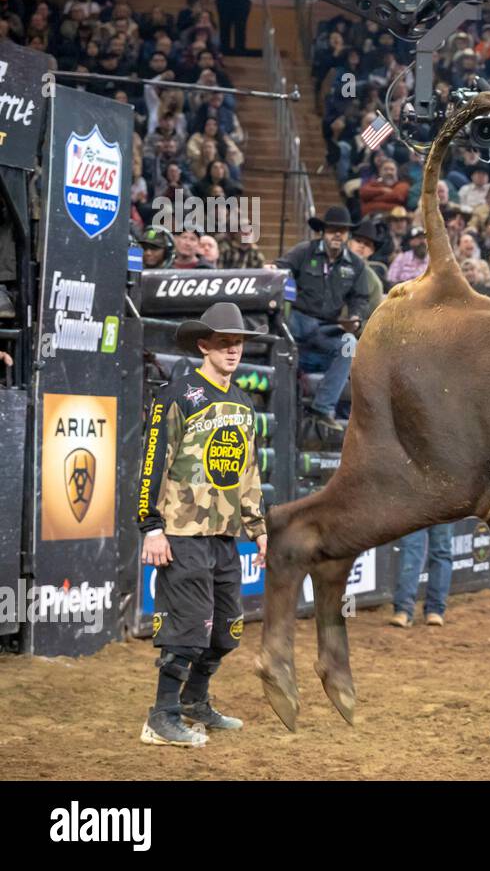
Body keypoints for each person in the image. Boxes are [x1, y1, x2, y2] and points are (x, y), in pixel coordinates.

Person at [137, 302, 267, 747]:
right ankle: (161, 716)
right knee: (187, 629)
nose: (234, 350)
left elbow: (248, 473)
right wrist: (151, 526)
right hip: (182, 533)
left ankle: (195, 702)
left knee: (227, 629)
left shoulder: (244, 402)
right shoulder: (177, 395)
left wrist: (260, 528)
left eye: (239, 342)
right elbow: (154, 462)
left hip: (226, 535)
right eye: (225, 342)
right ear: (204, 345)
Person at [276, 206, 373, 429]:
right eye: (332, 230)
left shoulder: (356, 265)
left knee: (350, 344)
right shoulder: (304, 251)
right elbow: (281, 269)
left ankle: (323, 408)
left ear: (348, 235)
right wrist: (284, 286)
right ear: (323, 232)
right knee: (280, 334)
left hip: (327, 328)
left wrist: (356, 317)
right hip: (297, 320)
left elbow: (360, 298)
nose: (337, 234)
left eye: (342, 230)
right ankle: (278, 404)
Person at [390, 523, 455, 628]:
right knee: (410, 549)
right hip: (414, 507)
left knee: (441, 550)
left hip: (443, 507)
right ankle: (403, 610)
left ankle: (435, 610)